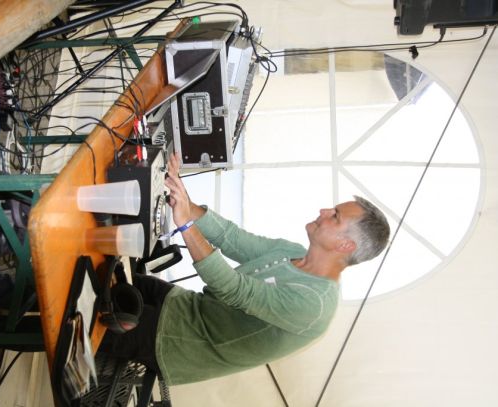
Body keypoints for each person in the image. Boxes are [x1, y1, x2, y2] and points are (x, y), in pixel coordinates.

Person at [99, 153, 390, 386]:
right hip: (182, 306)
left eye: (335, 216)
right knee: (102, 273)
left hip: (176, 341)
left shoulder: (314, 305)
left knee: (86, 318)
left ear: (344, 245)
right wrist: (183, 199)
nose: (324, 211)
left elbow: (234, 289)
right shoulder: (292, 251)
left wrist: (186, 223)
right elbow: (231, 238)